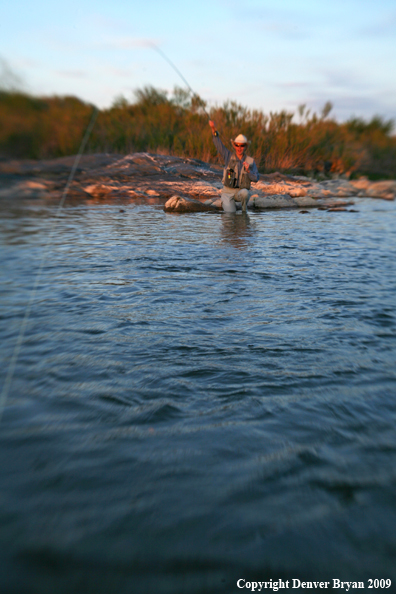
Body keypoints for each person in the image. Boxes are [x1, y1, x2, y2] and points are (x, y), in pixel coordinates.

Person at [209, 120, 259, 213]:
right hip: (227, 192)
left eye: (242, 145)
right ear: (234, 145)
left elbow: (256, 178)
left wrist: (248, 171)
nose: (239, 148)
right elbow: (218, 144)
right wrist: (213, 128)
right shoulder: (227, 156)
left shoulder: (250, 161)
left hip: (240, 192)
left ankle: (244, 212)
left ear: (245, 147)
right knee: (230, 215)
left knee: (246, 193)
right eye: (237, 145)